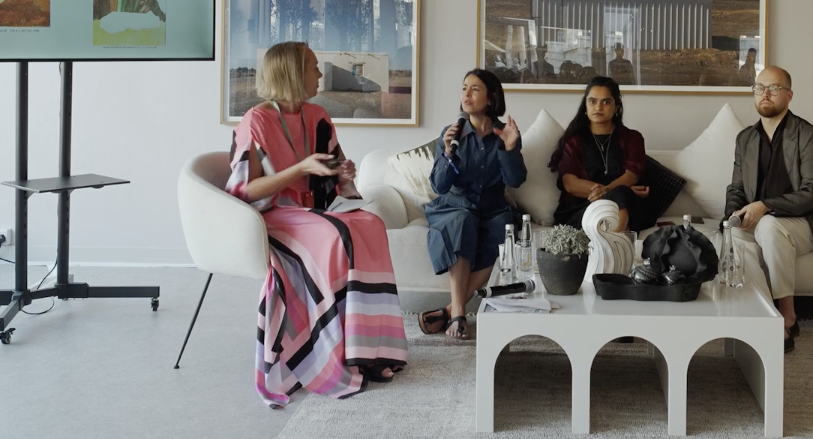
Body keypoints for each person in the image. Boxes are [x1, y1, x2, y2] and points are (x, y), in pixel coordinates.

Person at [226, 41, 407, 406]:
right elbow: (244, 190)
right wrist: (299, 169)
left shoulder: (318, 116)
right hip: (276, 215)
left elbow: (335, 173)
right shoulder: (256, 121)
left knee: (371, 224)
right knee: (337, 234)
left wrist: (342, 173)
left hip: (316, 212)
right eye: (313, 66)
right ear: (292, 72)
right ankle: (333, 354)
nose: (320, 73)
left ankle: (370, 350)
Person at [725, 66, 813, 353]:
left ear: (789, 95)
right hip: (758, 222)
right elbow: (736, 188)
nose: (765, 94)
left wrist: (765, 206)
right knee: (730, 238)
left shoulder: (806, 134)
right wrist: (734, 214)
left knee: (769, 226)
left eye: (774, 88)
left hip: (801, 223)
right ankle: (758, 315)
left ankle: (787, 315)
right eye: (759, 88)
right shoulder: (745, 138)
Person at [419, 69, 526, 340]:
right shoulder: (451, 133)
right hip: (455, 205)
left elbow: (515, 181)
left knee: (505, 229)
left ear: (491, 98)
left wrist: (509, 148)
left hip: (493, 208)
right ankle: (458, 313)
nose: (466, 94)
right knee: (462, 220)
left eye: (475, 89)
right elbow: (439, 186)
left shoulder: (505, 133)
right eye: (464, 88)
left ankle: (449, 310)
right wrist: (447, 153)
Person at [549, 76, 653, 232]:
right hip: (583, 205)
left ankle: (615, 237)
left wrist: (610, 192)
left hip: (625, 202)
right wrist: (611, 193)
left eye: (606, 102)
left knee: (622, 193)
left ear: (616, 106)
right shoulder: (574, 141)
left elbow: (631, 176)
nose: (598, 107)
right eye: (592, 101)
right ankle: (618, 238)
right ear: (585, 105)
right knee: (620, 194)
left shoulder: (632, 138)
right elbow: (570, 184)